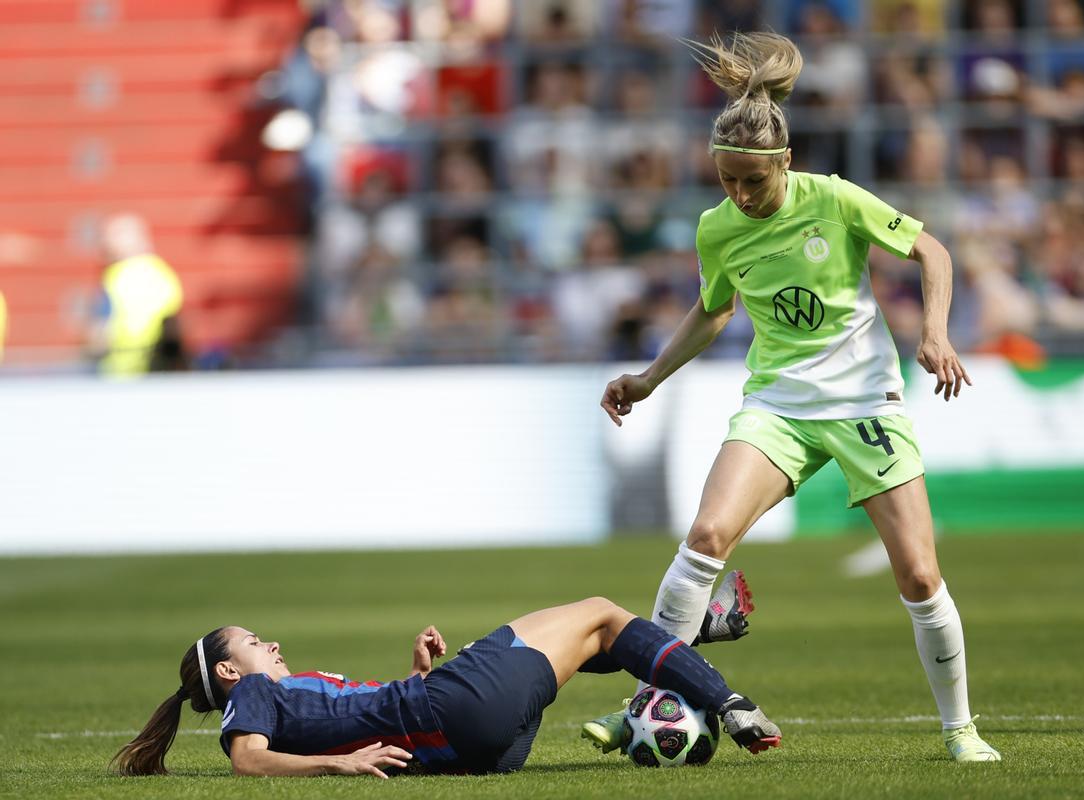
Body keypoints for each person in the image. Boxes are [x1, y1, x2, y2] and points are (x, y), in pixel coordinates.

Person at [584, 32, 1001, 763]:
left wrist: (934, 333)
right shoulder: (718, 228)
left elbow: (931, 251)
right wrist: (648, 378)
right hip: (777, 406)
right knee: (707, 538)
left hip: (865, 405)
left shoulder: (834, 199)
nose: (739, 196)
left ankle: (960, 729)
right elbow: (714, 310)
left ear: (784, 162)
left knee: (921, 574)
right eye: (726, 181)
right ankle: (644, 703)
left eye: (752, 181)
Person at [111, 596, 781, 778]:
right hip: (456, 711)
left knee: (596, 636)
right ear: (230, 672)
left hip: (477, 746)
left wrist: (418, 671)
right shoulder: (249, 701)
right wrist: (337, 765)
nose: (272, 644)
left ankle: (686, 643)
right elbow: (246, 758)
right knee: (603, 612)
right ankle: (728, 699)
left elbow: (374, 717)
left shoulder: (287, 698)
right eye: (255, 644)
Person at [89, 214, 186, 376]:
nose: (105, 243)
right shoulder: (164, 274)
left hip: (118, 371)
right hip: (155, 369)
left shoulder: (115, 277)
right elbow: (173, 327)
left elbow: (99, 334)